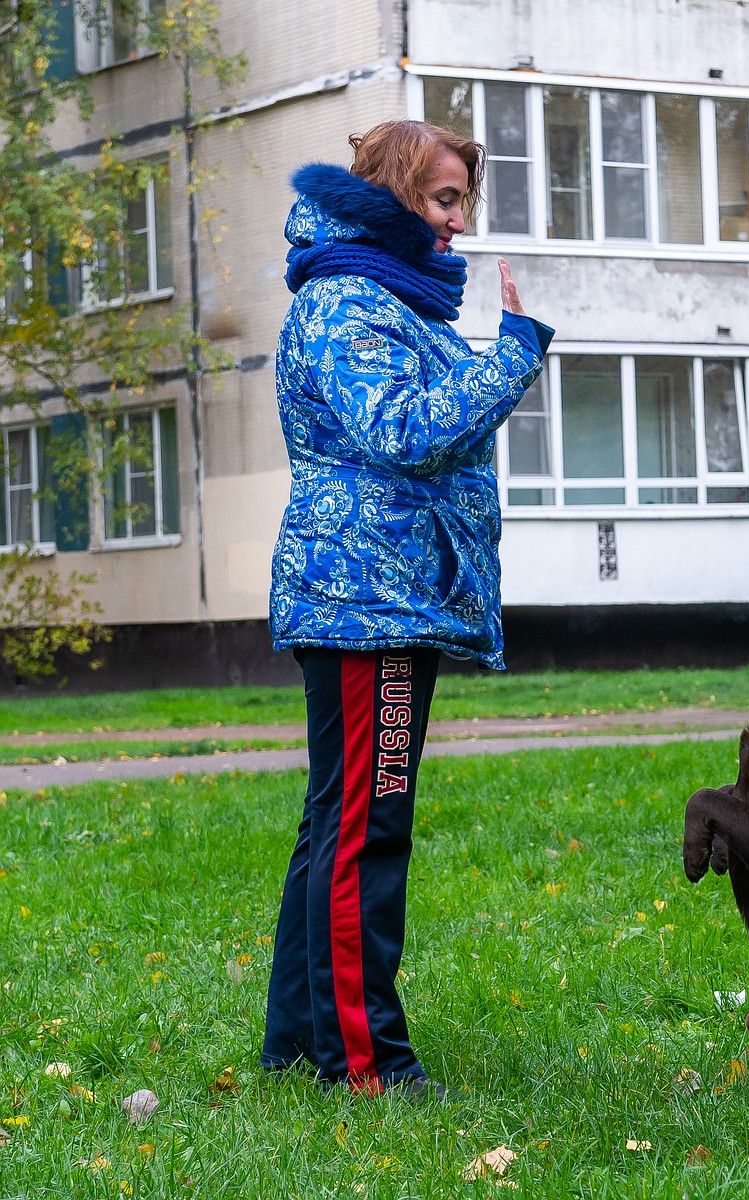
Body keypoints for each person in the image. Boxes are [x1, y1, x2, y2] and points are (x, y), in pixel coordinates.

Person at [261, 119, 553, 1099]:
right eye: (442, 200)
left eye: (464, 200)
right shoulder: (351, 304)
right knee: (363, 833)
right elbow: (405, 433)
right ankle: (366, 1063)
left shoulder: (380, 297)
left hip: (380, 595)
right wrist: (509, 356)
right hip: (367, 602)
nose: (460, 224)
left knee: (337, 827)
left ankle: (303, 1046)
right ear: (391, 199)